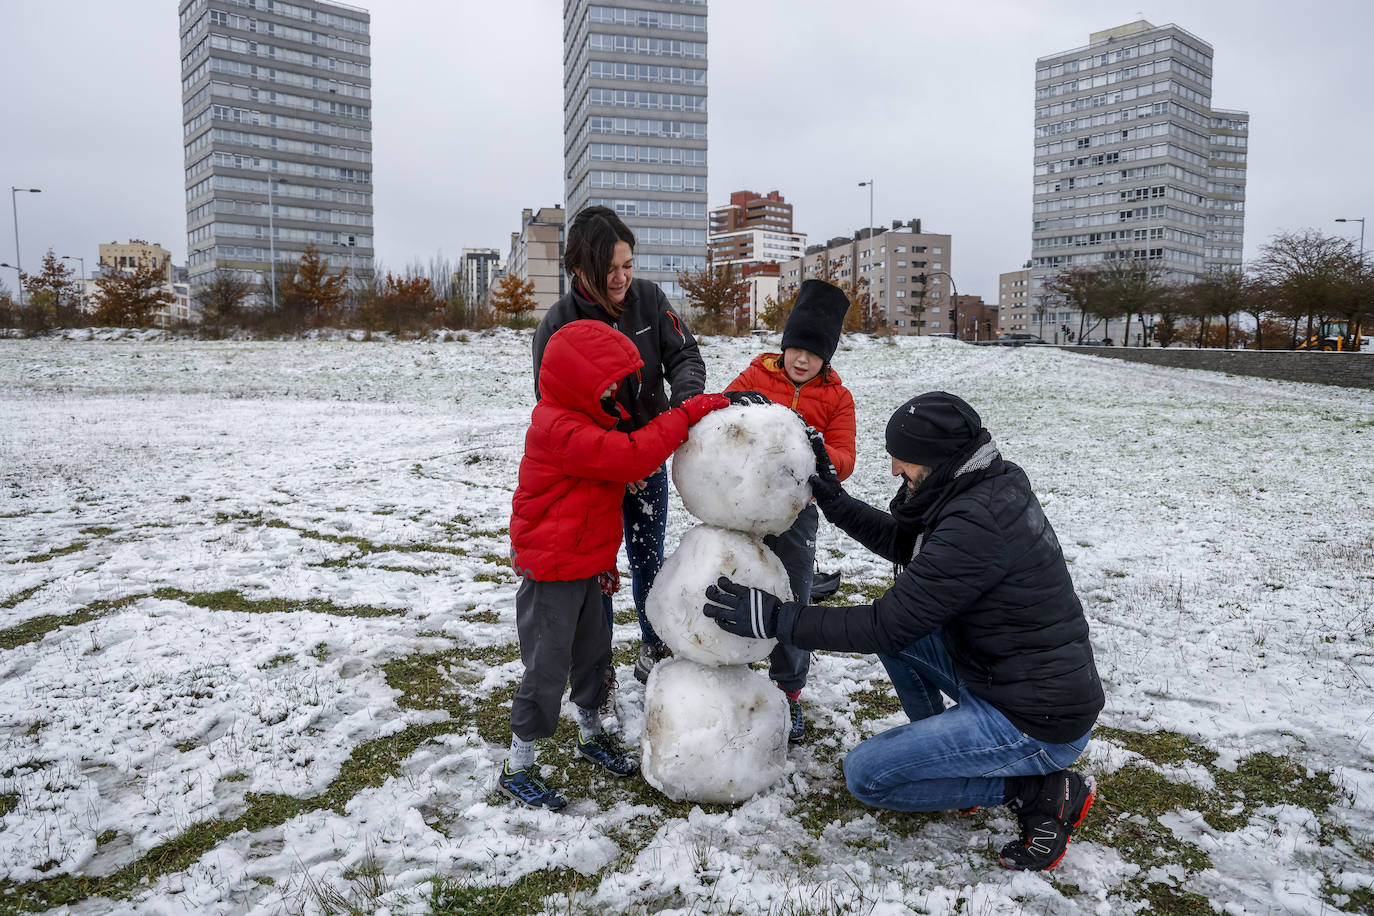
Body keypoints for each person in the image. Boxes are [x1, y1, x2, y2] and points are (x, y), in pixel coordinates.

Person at [702, 392, 1104, 870]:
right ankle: (951, 759)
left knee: (867, 776)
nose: (895, 469)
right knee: (905, 637)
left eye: (904, 459)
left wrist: (776, 619)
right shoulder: (983, 484)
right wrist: (836, 502)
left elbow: (883, 625)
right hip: (1003, 677)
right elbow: (907, 544)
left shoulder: (980, 520)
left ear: (939, 460)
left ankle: (1040, 788)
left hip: (1036, 720)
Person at [504, 319, 728, 809]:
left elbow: (590, 504)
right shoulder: (559, 427)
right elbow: (630, 458)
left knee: (593, 655)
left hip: (585, 565)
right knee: (547, 667)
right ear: (575, 380)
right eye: (606, 381)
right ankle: (518, 763)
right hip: (551, 572)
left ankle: (589, 733)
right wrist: (687, 411)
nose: (614, 390)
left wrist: (603, 561)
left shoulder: (593, 417)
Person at [533, 206, 708, 702]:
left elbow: (685, 356)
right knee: (596, 573)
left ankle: (654, 646)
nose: (622, 278)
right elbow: (555, 409)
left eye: (627, 264)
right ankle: (598, 669)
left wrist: (681, 407)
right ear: (579, 270)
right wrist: (615, 457)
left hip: (648, 459)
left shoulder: (649, 300)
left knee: (648, 559)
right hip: (595, 475)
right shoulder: (557, 326)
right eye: (609, 270)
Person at [723, 278, 856, 743]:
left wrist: (815, 451)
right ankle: (723, 669)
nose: (802, 359)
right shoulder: (757, 376)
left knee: (793, 596)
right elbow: (720, 414)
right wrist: (738, 404)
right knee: (728, 580)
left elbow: (846, 460)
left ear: (827, 358)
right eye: (796, 348)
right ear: (785, 346)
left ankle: (789, 690)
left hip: (797, 513)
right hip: (740, 507)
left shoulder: (837, 398)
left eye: (814, 353)